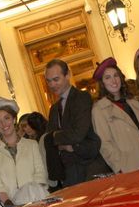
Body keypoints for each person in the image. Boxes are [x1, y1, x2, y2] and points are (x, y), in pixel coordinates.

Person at [45, 59, 110, 187]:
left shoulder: (81, 97)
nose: (52, 85)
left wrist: (55, 137)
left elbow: (78, 134)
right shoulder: (53, 109)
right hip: (67, 173)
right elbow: (49, 140)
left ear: (67, 75)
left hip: (88, 167)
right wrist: (58, 141)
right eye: (49, 81)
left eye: (56, 79)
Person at [0, 97, 48, 205]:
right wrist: (9, 203)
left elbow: (40, 174)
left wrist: (31, 195)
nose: (4, 124)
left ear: (14, 119)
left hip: (37, 199)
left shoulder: (32, 145)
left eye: (7, 118)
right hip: (10, 205)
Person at [91, 57, 139, 174]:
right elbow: (105, 144)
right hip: (130, 167)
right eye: (108, 78)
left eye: (116, 75)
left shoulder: (134, 102)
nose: (114, 81)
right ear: (102, 83)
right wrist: (120, 167)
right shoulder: (99, 110)